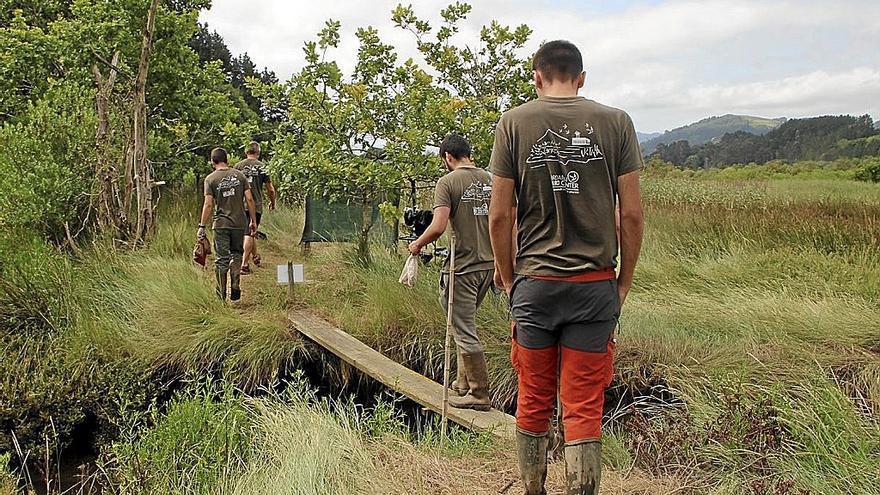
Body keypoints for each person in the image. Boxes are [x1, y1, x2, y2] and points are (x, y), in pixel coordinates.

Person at [488, 40, 644, 495]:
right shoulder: (616, 122)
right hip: (595, 286)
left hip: (535, 285)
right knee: (584, 405)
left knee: (533, 399)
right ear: (581, 78)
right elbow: (631, 215)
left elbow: (500, 215)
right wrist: (623, 281)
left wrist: (508, 275)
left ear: (536, 77)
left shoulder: (513, 123)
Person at [408, 133, 495, 411]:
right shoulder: (491, 179)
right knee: (464, 323)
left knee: (462, 327)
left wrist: (417, 244)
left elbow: (439, 225)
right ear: (468, 153)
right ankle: (462, 384)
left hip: (463, 267)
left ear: (447, 157)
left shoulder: (447, 182)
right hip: (488, 265)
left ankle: (479, 394)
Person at [198, 147, 258, 301]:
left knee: (221, 259)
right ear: (227, 159)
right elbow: (250, 199)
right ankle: (236, 282)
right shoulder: (240, 176)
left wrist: (202, 226)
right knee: (237, 253)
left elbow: (208, 204)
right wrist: (253, 220)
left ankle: (221, 294)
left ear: (213, 161)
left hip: (221, 224)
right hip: (239, 223)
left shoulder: (210, 179)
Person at [234, 141, 276, 274]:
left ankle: (255, 256)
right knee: (249, 232)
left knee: (250, 231)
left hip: (239, 204)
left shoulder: (238, 166)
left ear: (246, 152)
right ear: (258, 153)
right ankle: (244, 264)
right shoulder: (262, 167)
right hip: (255, 205)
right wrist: (272, 202)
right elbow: (270, 189)